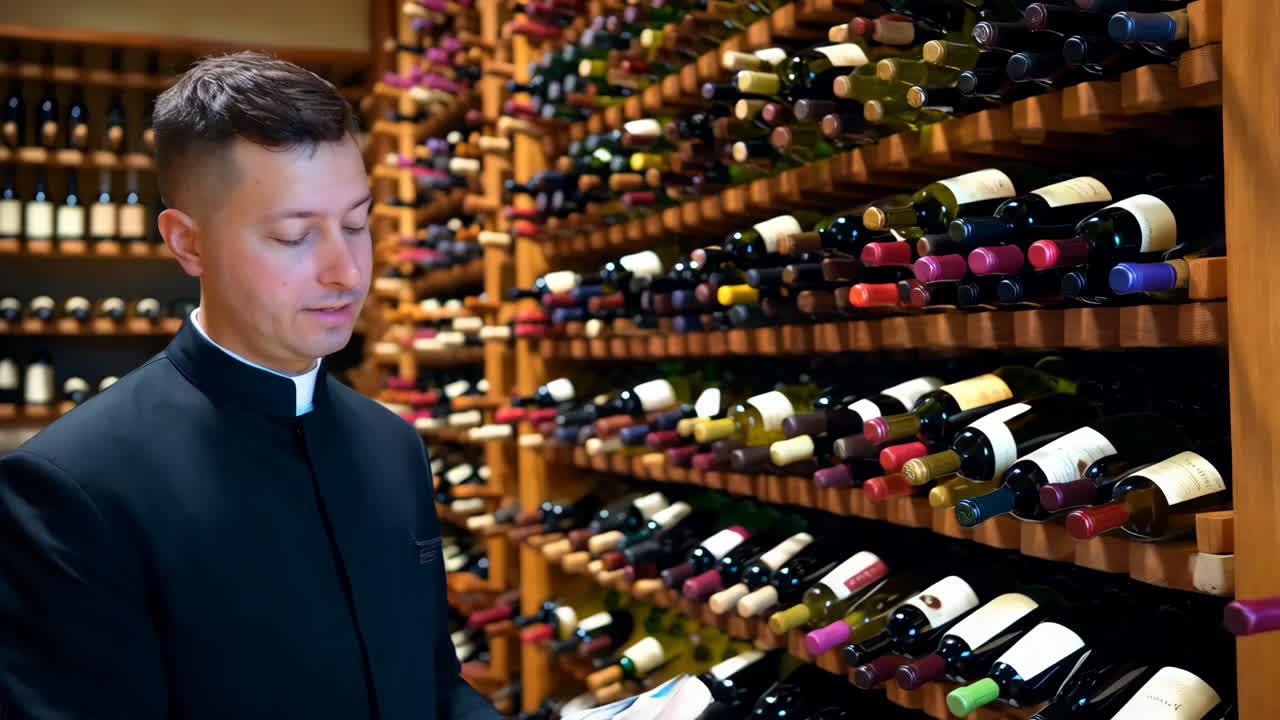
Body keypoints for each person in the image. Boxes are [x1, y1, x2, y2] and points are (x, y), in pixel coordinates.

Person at [0, 52, 501, 720]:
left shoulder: (393, 445)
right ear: (188, 243)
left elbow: (434, 688)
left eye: (357, 224)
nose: (346, 271)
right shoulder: (69, 490)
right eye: (295, 236)